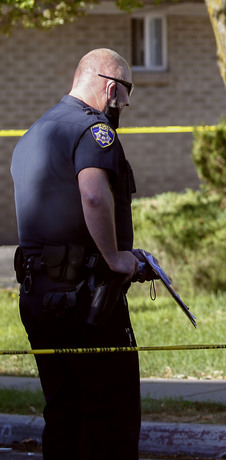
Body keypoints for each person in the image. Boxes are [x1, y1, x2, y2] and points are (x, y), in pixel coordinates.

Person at [11, 48, 144, 460]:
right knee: (111, 415)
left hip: (38, 293)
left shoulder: (35, 132)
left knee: (64, 412)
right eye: (124, 94)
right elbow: (93, 195)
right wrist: (117, 258)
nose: (123, 105)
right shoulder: (94, 131)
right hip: (85, 300)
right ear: (109, 86)